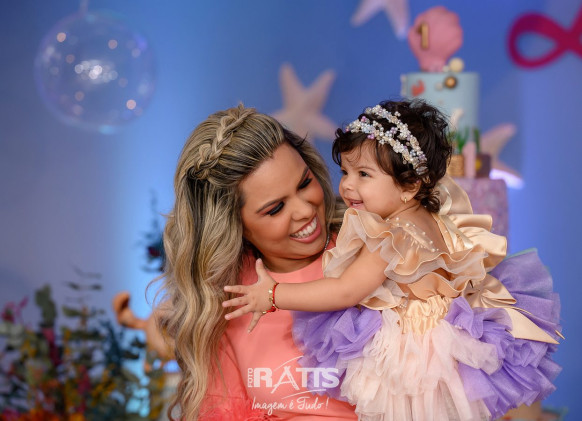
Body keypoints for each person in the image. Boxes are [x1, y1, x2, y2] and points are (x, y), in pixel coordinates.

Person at [223, 100, 562, 421]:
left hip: (416, 348)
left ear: (409, 184)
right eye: (345, 172)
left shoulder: (391, 236)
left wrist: (272, 294)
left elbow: (344, 291)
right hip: (453, 335)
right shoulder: (430, 217)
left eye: (363, 175)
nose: (347, 187)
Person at [155, 104, 367, 420]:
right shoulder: (228, 300)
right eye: (275, 209)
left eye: (304, 183)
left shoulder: (371, 249)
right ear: (235, 225)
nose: (305, 210)